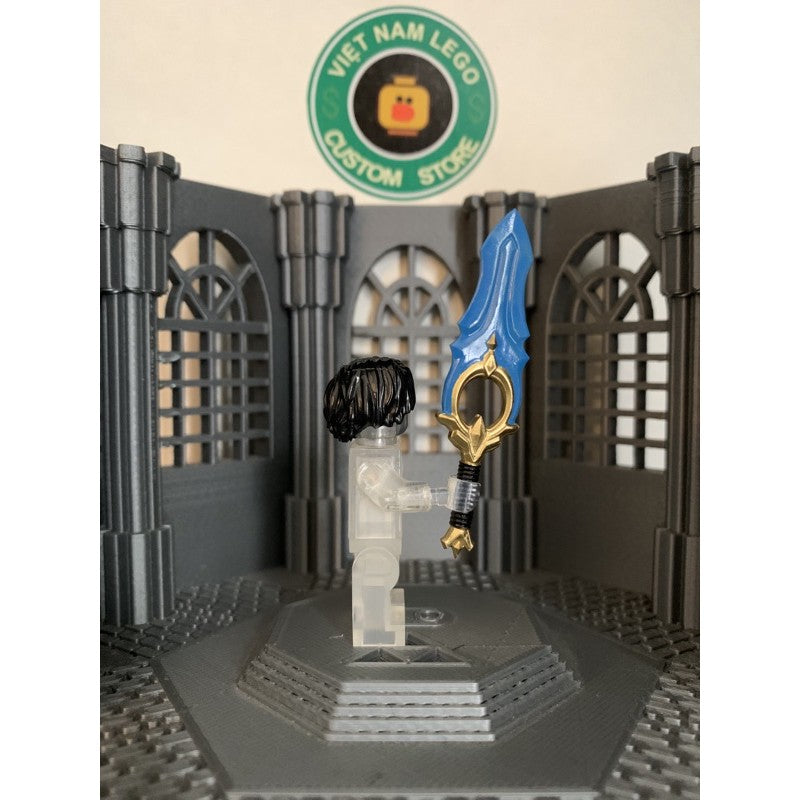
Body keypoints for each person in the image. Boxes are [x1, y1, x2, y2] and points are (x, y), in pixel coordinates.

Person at [323, 357, 477, 646]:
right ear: (375, 408)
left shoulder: (382, 452)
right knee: (376, 580)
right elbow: (394, 496)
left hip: (382, 540)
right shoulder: (369, 459)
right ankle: (375, 631)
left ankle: (379, 620)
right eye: (396, 404)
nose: (403, 411)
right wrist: (443, 496)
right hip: (374, 543)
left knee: (383, 580)